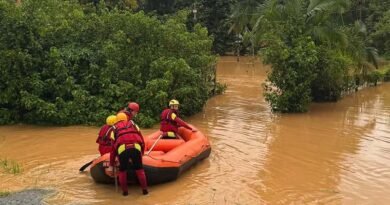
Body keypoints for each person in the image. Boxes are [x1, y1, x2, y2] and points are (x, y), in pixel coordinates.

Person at [109, 103, 148, 196]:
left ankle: (125, 193)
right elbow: (141, 139)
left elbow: (113, 148)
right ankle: (145, 191)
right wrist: (141, 153)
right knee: (140, 169)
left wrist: (112, 163)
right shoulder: (132, 123)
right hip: (136, 147)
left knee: (122, 171)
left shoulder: (113, 128)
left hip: (122, 149)